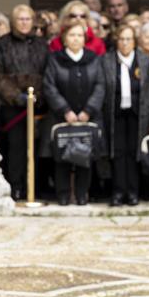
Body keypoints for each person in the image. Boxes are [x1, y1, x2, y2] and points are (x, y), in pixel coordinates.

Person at [42, 21, 105, 205]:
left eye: (79, 35)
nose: (76, 39)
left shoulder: (93, 58)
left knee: (85, 155)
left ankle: (82, 193)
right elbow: (49, 86)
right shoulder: (55, 59)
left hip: (87, 117)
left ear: (85, 39)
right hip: (62, 118)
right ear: (64, 38)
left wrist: (88, 110)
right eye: (72, 35)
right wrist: (65, 110)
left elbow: (100, 86)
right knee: (62, 156)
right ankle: (62, 194)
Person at [102, 25, 149, 206]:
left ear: (134, 41)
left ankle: (133, 192)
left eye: (128, 39)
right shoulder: (107, 60)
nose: (125, 43)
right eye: (121, 39)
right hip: (115, 115)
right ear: (116, 41)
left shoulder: (144, 60)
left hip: (139, 115)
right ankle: (118, 192)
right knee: (118, 154)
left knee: (135, 154)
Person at [0, 4, 49, 201]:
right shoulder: (2, 44)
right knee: (16, 147)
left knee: (37, 146)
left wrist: (38, 96)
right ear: (13, 22)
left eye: (28, 19)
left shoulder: (41, 45)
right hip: (12, 106)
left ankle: (35, 187)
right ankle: (16, 186)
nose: (25, 23)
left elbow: (47, 72)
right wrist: (16, 97)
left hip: (38, 104)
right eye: (21, 19)